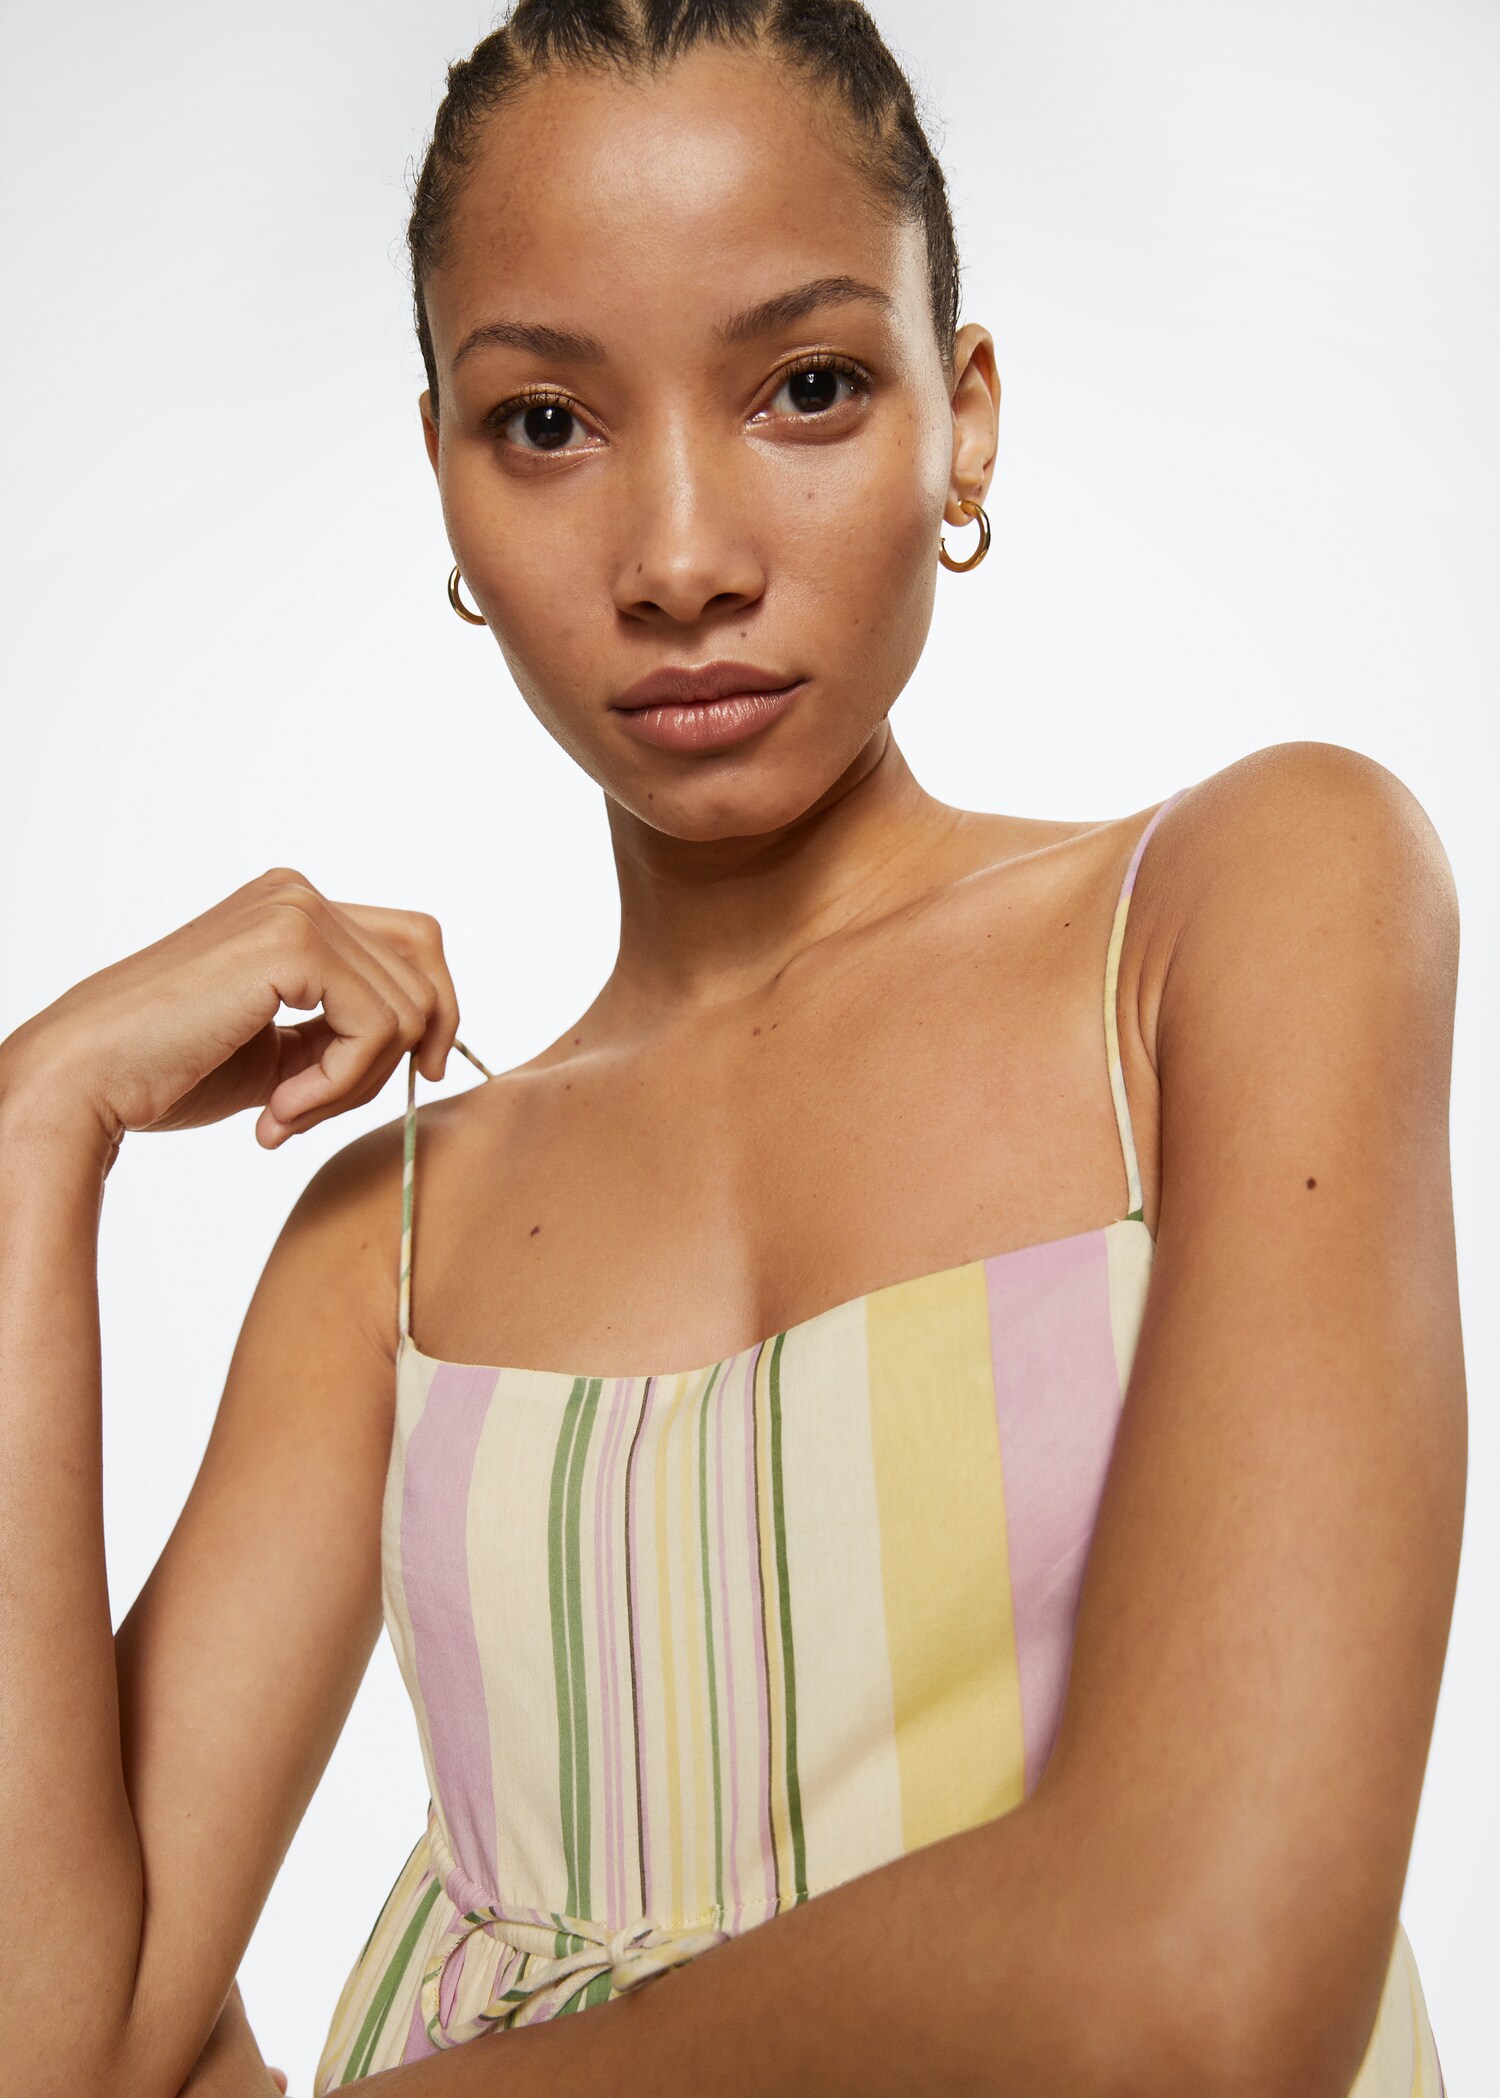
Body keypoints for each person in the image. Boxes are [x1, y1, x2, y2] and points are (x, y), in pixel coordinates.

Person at [0, 3, 1464, 2094]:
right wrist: (29, 1127)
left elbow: (1204, 1985)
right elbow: (49, 2041)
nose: (681, 558)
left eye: (807, 385)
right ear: (443, 476)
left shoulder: (1245, 907)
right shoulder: (380, 1248)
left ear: (964, 418)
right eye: (545, 421)